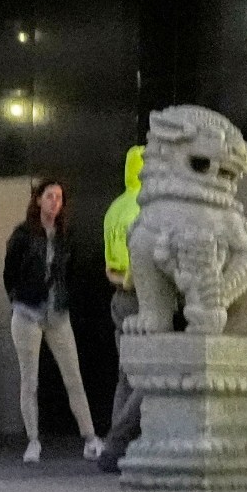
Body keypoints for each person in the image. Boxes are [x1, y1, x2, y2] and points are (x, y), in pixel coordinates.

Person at [3, 178, 104, 462]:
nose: (55, 203)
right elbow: (9, 271)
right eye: (49, 196)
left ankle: (90, 437)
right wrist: (18, 298)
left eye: (59, 197)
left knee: (74, 376)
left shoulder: (64, 235)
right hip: (28, 311)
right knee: (29, 379)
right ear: (38, 200)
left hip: (56, 311)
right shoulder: (23, 234)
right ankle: (33, 440)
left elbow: (70, 270)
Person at [99, 145, 147, 471]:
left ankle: (114, 450)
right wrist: (132, 279)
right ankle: (117, 445)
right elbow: (139, 259)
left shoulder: (115, 207)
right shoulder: (145, 206)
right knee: (148, 375)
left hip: (118, 298)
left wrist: (121, 279)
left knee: (125, 376)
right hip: (141, 298)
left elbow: (108, 265)